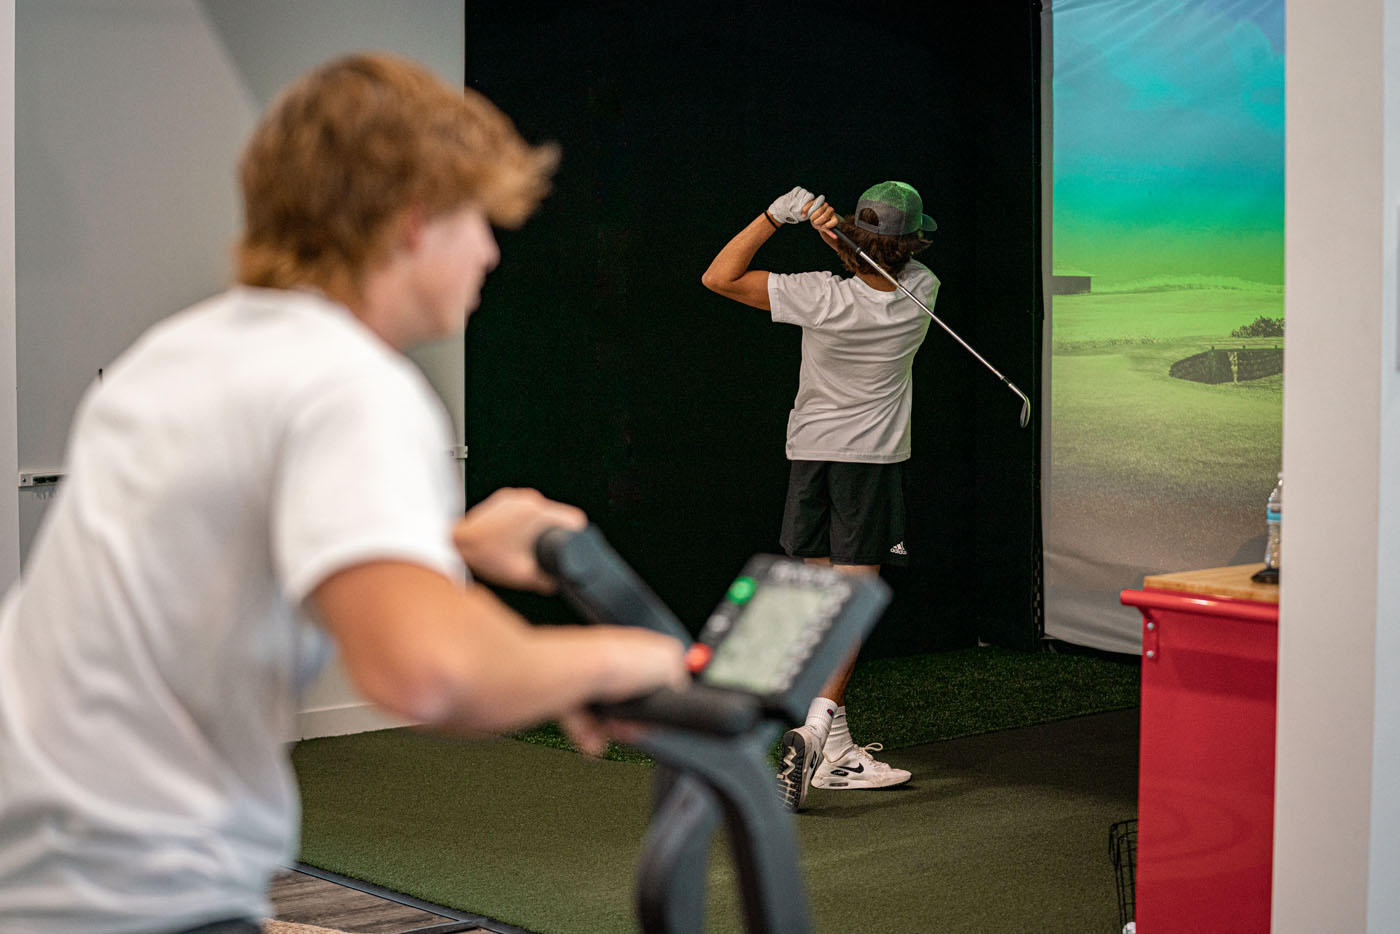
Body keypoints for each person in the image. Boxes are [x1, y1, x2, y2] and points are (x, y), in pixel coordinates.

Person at [0, 53, 688, 934]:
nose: (487, 250)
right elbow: (430, 673)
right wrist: (631, 663)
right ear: (411, 224)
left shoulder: (179, 354)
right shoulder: (349, 385)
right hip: (133, 895)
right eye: (477, 219)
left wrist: (442, 543)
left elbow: (230, 545)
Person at [701, 182, 939, 811]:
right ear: (912, 242)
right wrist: (838, 233)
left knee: (825, 603)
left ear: (857, 243)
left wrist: (780, 217)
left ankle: (834, 752)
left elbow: (719, 278)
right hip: (870, 465)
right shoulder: (924, 292)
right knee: (850, 604)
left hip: (810, 456)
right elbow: (881, 262)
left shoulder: (816, 295)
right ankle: (815, 731)